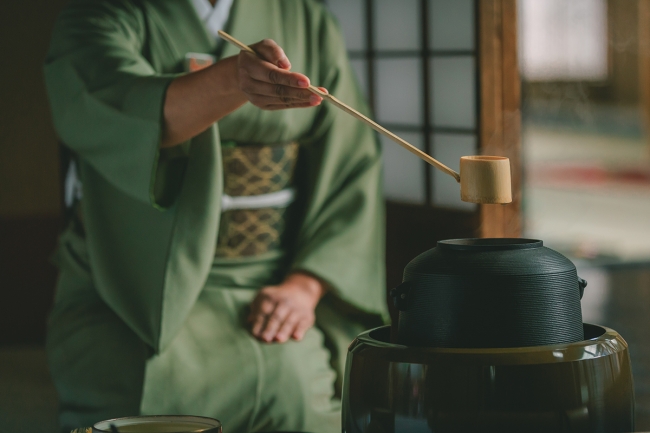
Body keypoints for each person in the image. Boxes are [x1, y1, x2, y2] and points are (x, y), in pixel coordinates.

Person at [44, 0, 387, 432]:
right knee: (141, 405)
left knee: (302, 394)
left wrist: (305, 287)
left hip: (274, 283)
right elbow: (115, 107)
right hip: (132, 284)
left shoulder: (305, 18)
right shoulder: (101, 13)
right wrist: (230, 80)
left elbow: (351, 162)